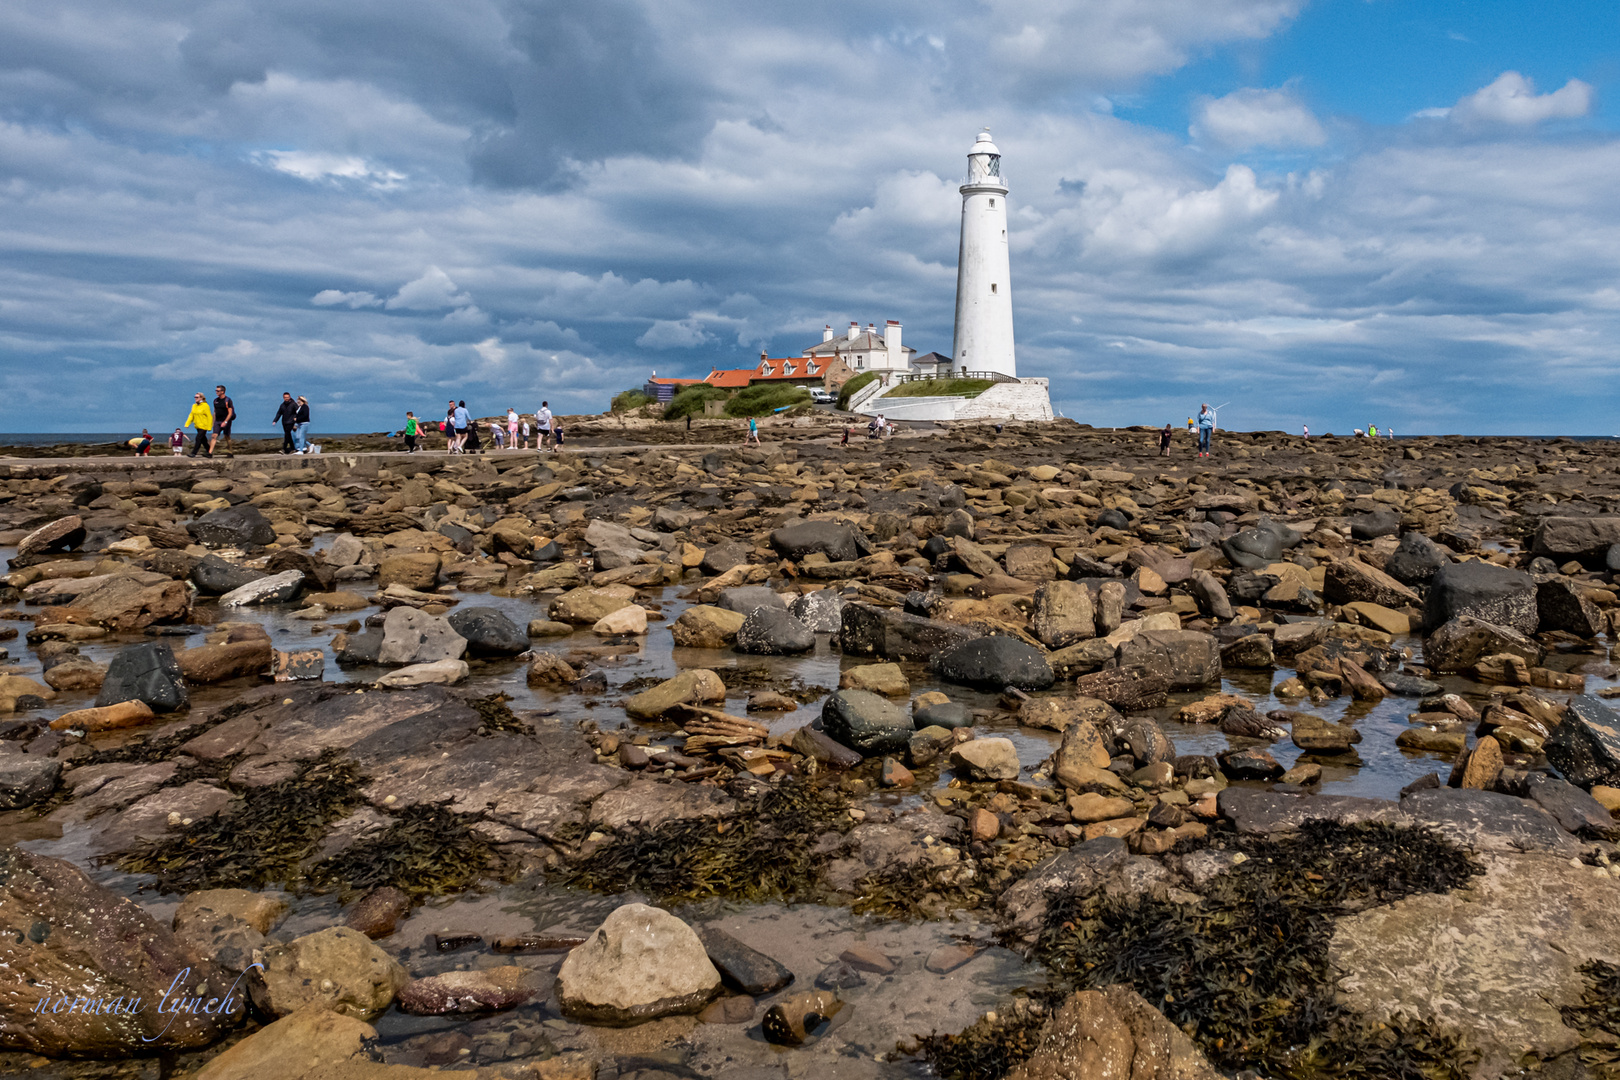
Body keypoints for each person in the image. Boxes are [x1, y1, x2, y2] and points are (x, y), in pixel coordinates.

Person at [208, 385, 235, 455]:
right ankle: (210, 453)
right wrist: (212, 423)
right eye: (216, 390)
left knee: (227, 436)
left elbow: (230, 413)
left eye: (218, 391)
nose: (216, 392)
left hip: (226, 421)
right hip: (217, 421)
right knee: (214, 436)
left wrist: (225, 421)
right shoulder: (215, 400)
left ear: (222, 392)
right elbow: (214, 412)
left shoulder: (228, 400)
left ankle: (230, 451)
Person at [184, 392, 213, 457]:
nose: (195, 398)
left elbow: (209, 416)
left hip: (204, 426)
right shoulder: (194, 406)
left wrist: (209, 427)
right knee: (203, 440)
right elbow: (191, 415)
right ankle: (209, 452)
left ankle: (194, 453)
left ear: (201, 398)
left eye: (197, 397)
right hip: (197, 426)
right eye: (195, 397)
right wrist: (187, 423)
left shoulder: (205, 406)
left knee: (198, 438)